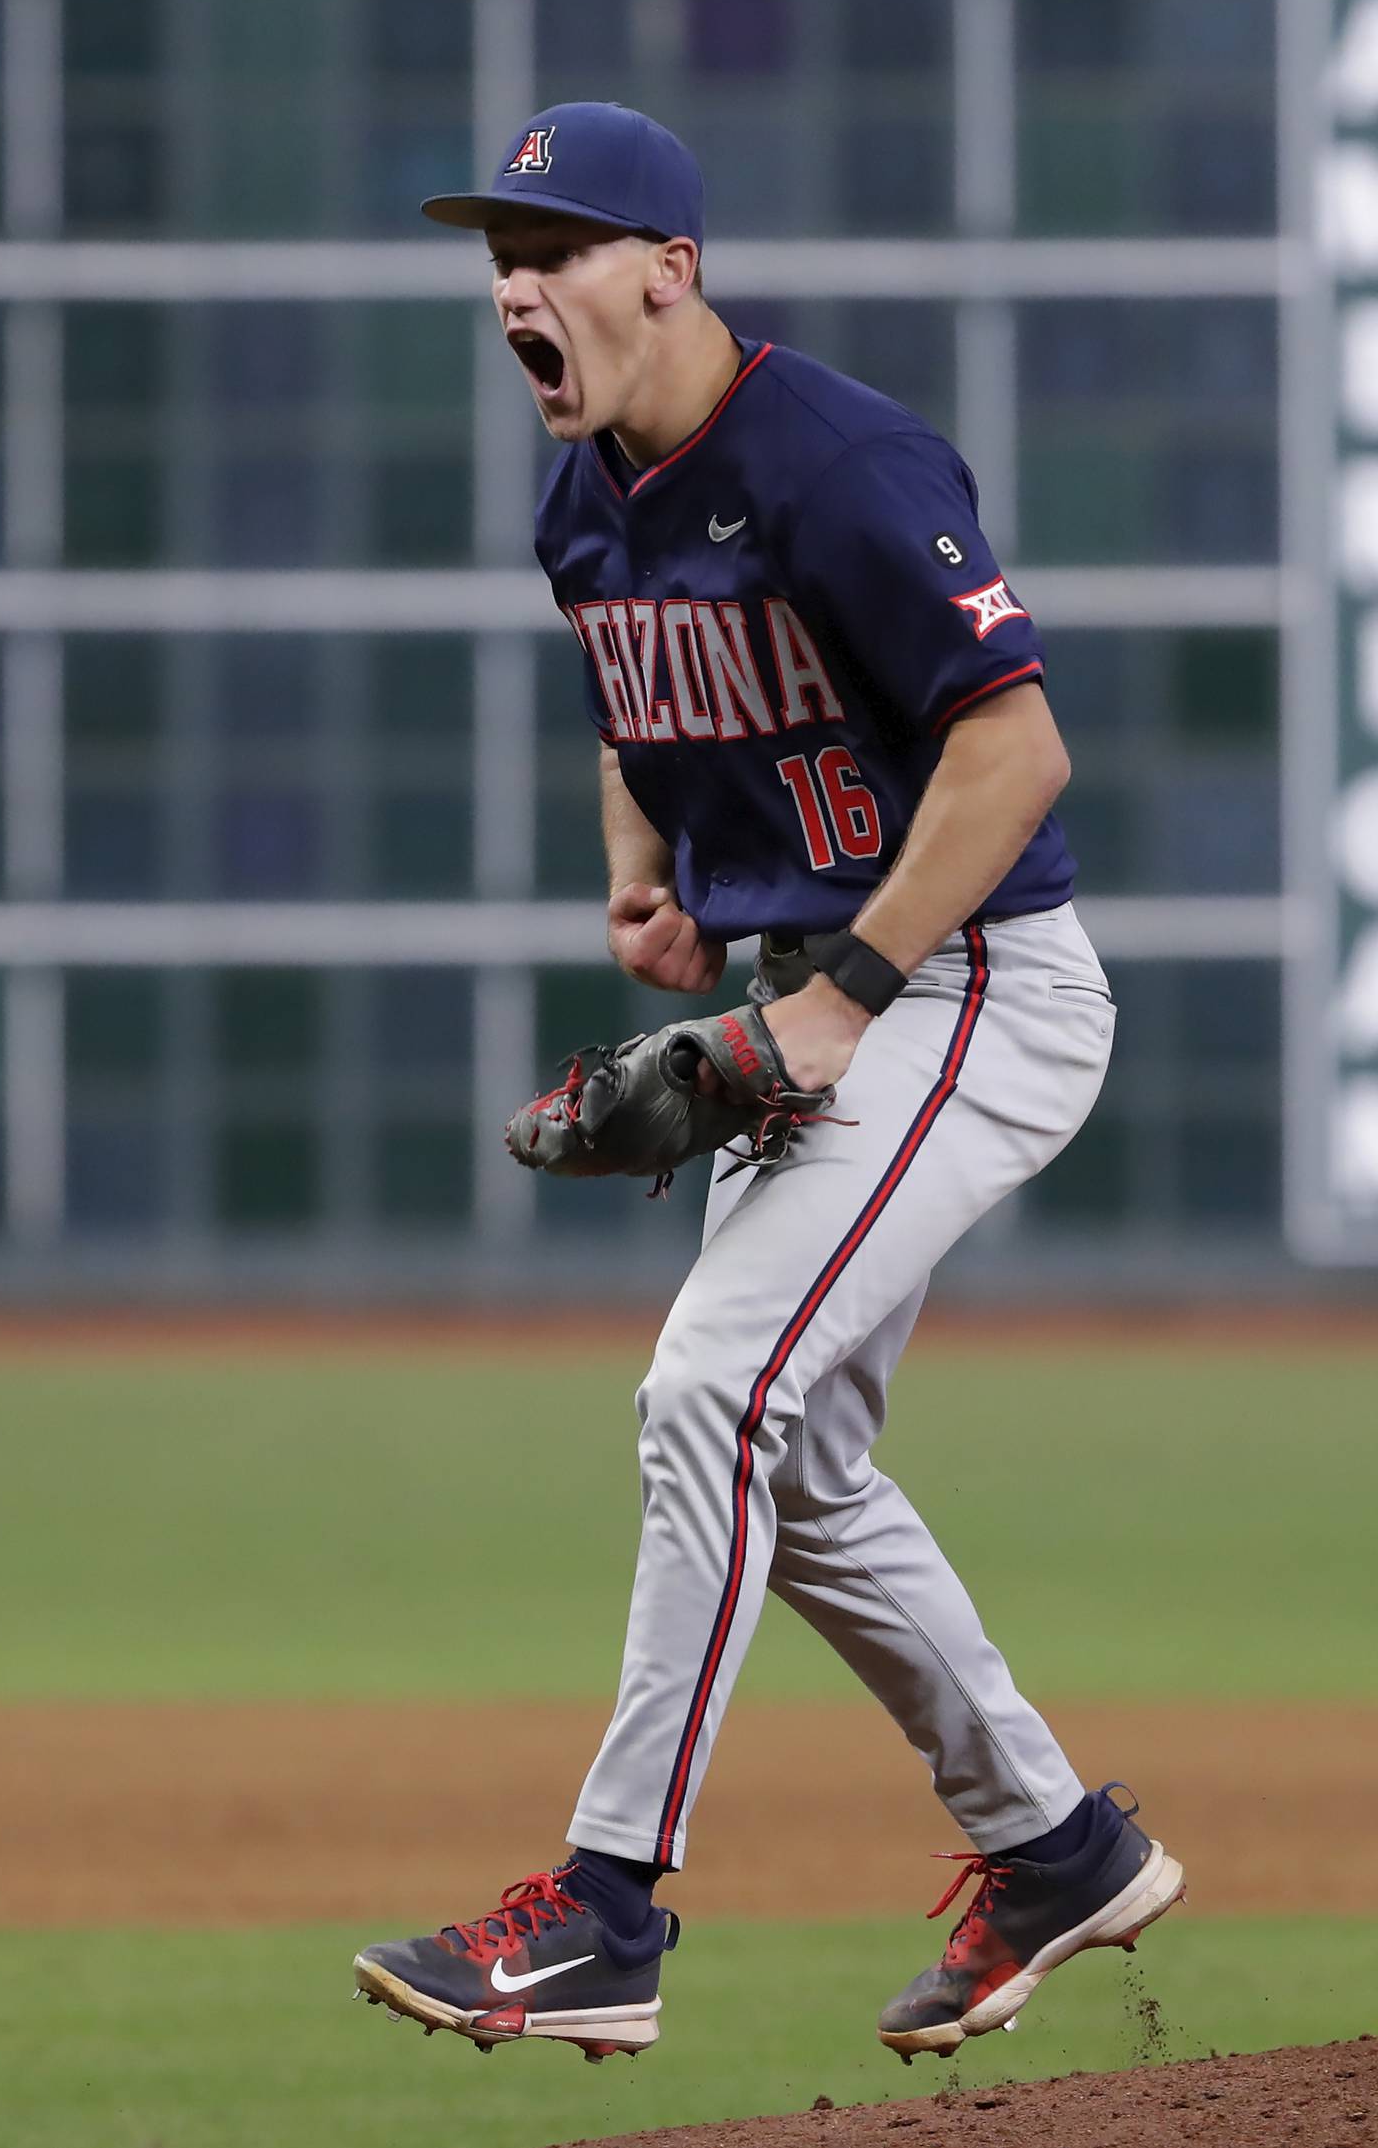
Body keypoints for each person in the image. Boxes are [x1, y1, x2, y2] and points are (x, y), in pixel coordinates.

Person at [353, 101, 1183, 2068]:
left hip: (975, 983)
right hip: (822, 999)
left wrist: (839, 997)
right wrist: (643, 880)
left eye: (556, 248)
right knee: (781, 1459)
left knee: (706, 1388)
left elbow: (1016, 753)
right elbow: (636, 698)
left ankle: (609, 1909)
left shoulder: (835, 458)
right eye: (499, 257)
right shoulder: (584, 496)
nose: (517, 289)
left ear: (672, 269)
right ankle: (1057, 1844)